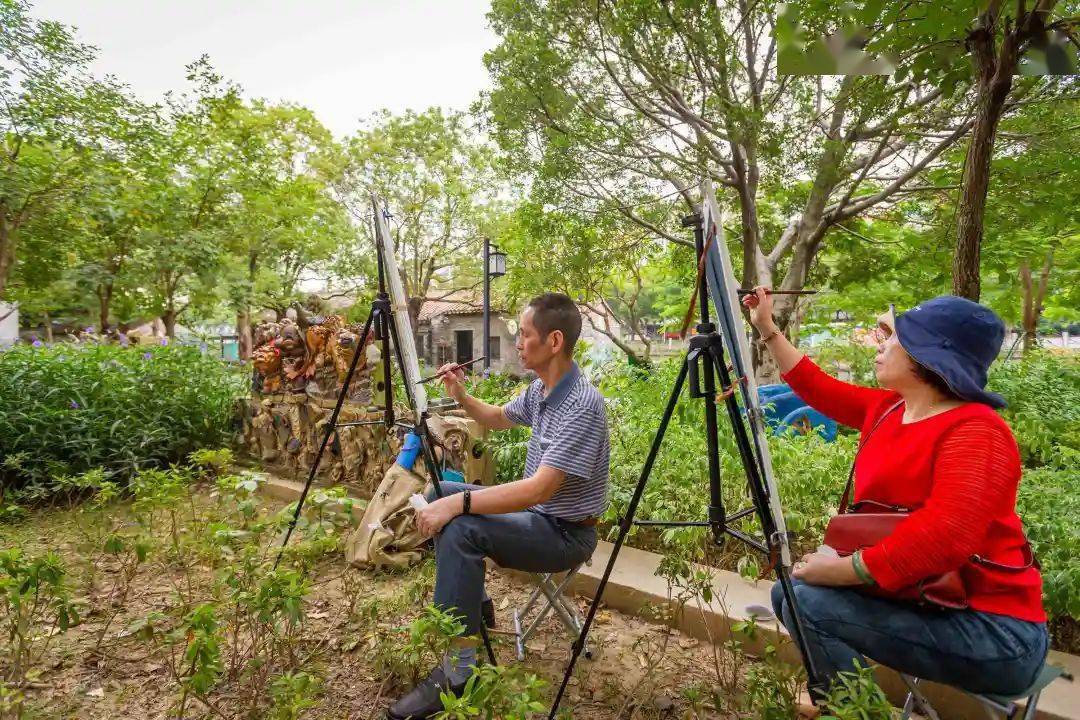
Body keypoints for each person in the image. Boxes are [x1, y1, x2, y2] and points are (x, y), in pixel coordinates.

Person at [742, 288, 1048, 700]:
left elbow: (946, 536)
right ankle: (851, 706)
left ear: (927, 355)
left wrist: (845, 569)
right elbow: (817, 388)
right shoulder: (889, 408)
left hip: (994, 628)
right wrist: (767, 327)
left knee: (808, 602)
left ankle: (852, 710)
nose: (881, 345)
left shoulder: (977, 431)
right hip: (924, 598)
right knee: (789, 594)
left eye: (895, 339)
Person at [387, 292, 610, 720]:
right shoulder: (543, 391)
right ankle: (477, 607)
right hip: (538, 519)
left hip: (564, 533)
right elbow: (496, 417)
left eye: (524, 334)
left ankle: (458, 674)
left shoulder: (582, 405)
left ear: (554, 341)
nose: (518, 341)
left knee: (461, 524)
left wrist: (460, 508)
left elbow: (538, 490)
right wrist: (461, 394)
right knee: (439, 493)